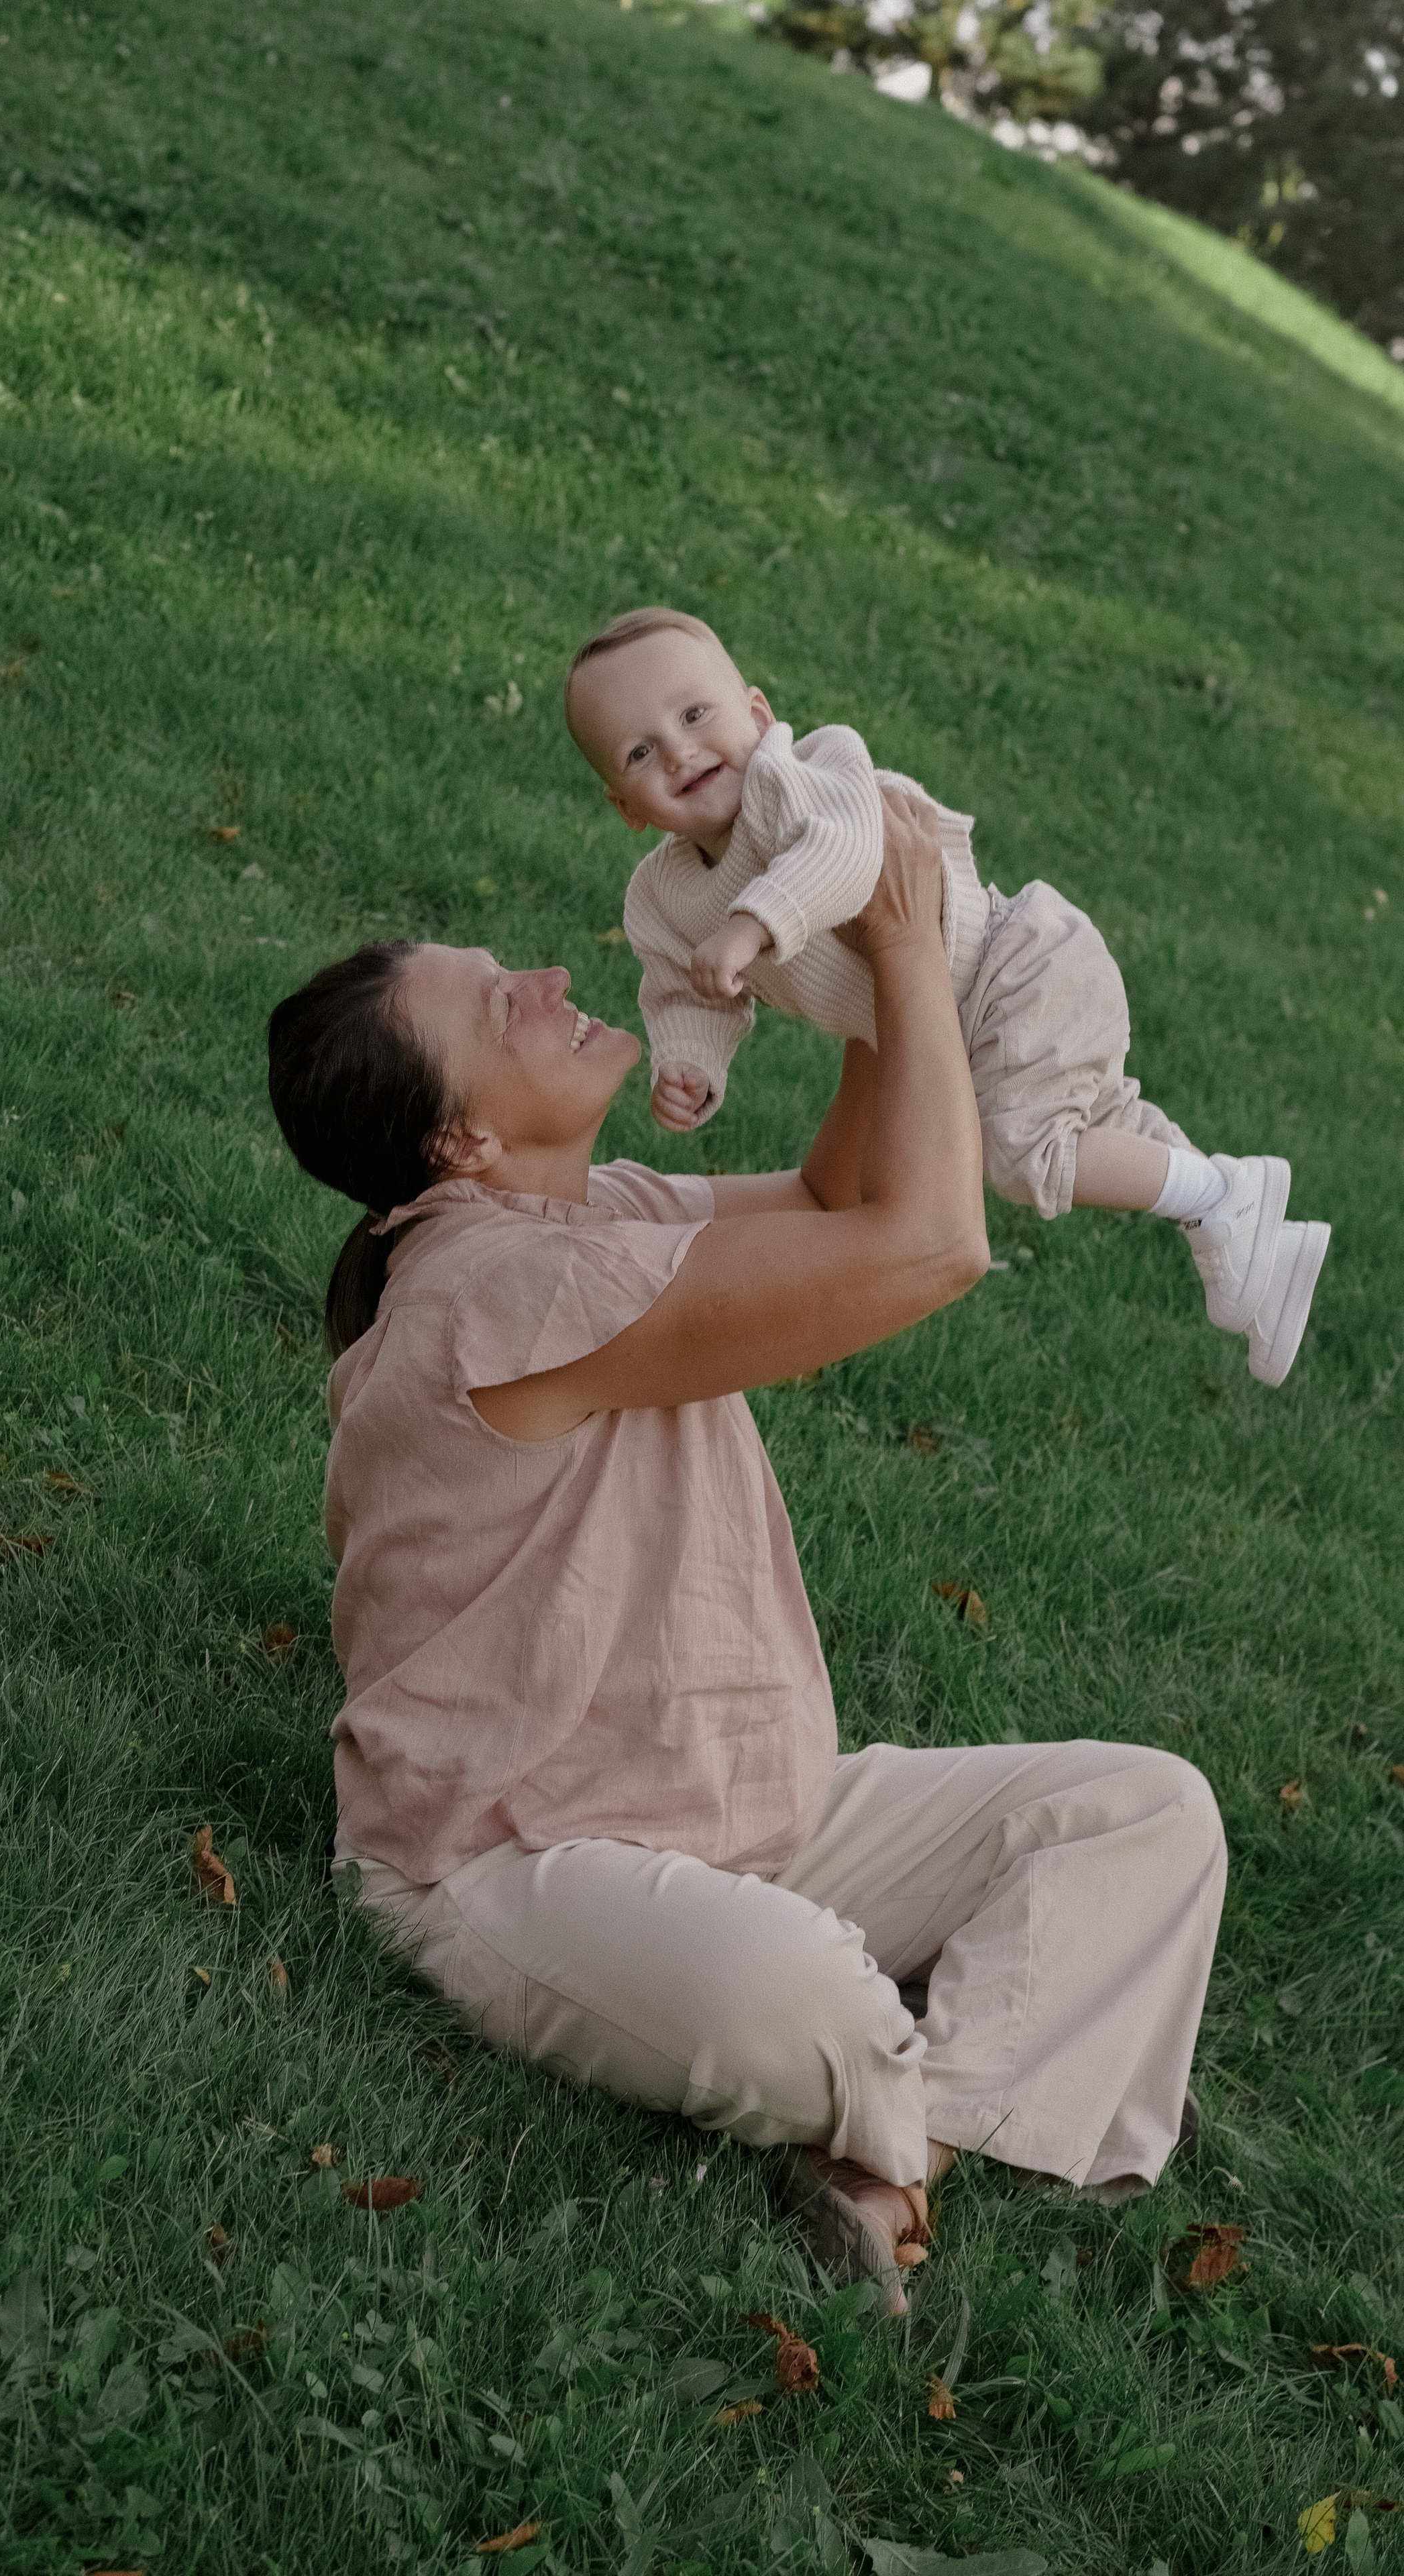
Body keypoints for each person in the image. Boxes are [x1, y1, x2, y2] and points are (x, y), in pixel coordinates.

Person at [266, 781, 1227, 2310]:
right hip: (515, 1854)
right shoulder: (487, 1290)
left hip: (744, 1808)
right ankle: (898, 2103)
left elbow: (848, 1193)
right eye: (500, 1003)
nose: (554, 979)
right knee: (800, 2000)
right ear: (457, 1138)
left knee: (1140, 1814)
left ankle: (883, 2154)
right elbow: (927, 1242)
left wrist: (851, 966)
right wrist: (912, 948)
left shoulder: (594, 1220)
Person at [565, 604, 1330, 1389]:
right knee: (1102, 1129)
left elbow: (850, 856)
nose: (681, 750)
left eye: (695, 714)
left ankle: (1220, 1193)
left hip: (1018, 965)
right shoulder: (661, 898)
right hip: (959, 1016)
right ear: (626, 808)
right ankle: (1256, 1249)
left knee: (1020, 1154)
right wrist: (691, 1062)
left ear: (757, 715)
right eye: (639, 751)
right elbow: (682, 989)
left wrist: (754, 926)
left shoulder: (811, 774)